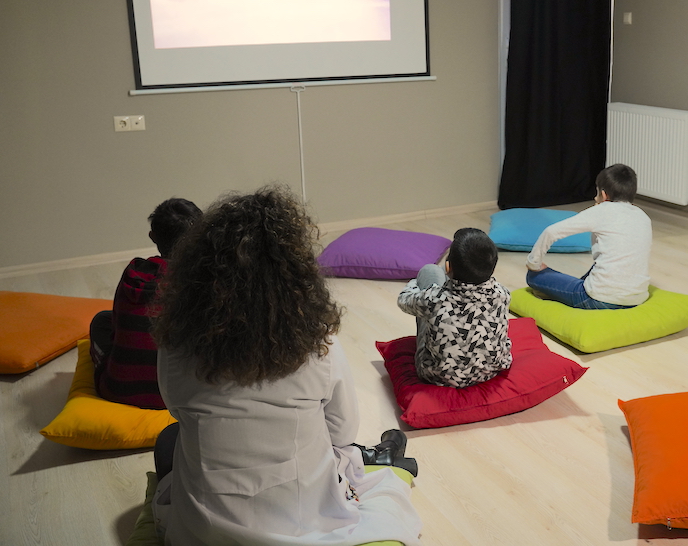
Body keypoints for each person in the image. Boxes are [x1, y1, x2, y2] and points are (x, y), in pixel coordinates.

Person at [149, 186, 422, 546]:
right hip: (301, 519)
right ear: (296, 273)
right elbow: (342, 432)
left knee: (170, 441)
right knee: (342, 454)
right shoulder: (317, 345)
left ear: (197, 272)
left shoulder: (175, 346)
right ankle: (380, 458)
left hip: (204, 531)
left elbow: (175, 408)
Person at [89, 197, 202, 409]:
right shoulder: (204, 278)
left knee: (101, 321)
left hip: (118, 390)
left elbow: (117, 325)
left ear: (153, 236)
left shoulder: (134, 272)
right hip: (179, 396)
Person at [525, 164, 652, 309]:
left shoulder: (602, 210)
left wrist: (534, 264)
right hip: (637, 298)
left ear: (604, 195)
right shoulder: (643, 217)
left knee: (533, 276)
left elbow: (551, 232)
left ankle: (556, 290)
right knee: (606, 262)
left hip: (598, 300)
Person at [398, 228, 512, 388]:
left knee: (429, 271)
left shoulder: (434, 299)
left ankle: (442, 277)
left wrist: (419, 287)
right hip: (491, 371)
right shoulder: (503, 293)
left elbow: (403, 300)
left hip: (438, 376)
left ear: (448, 266)